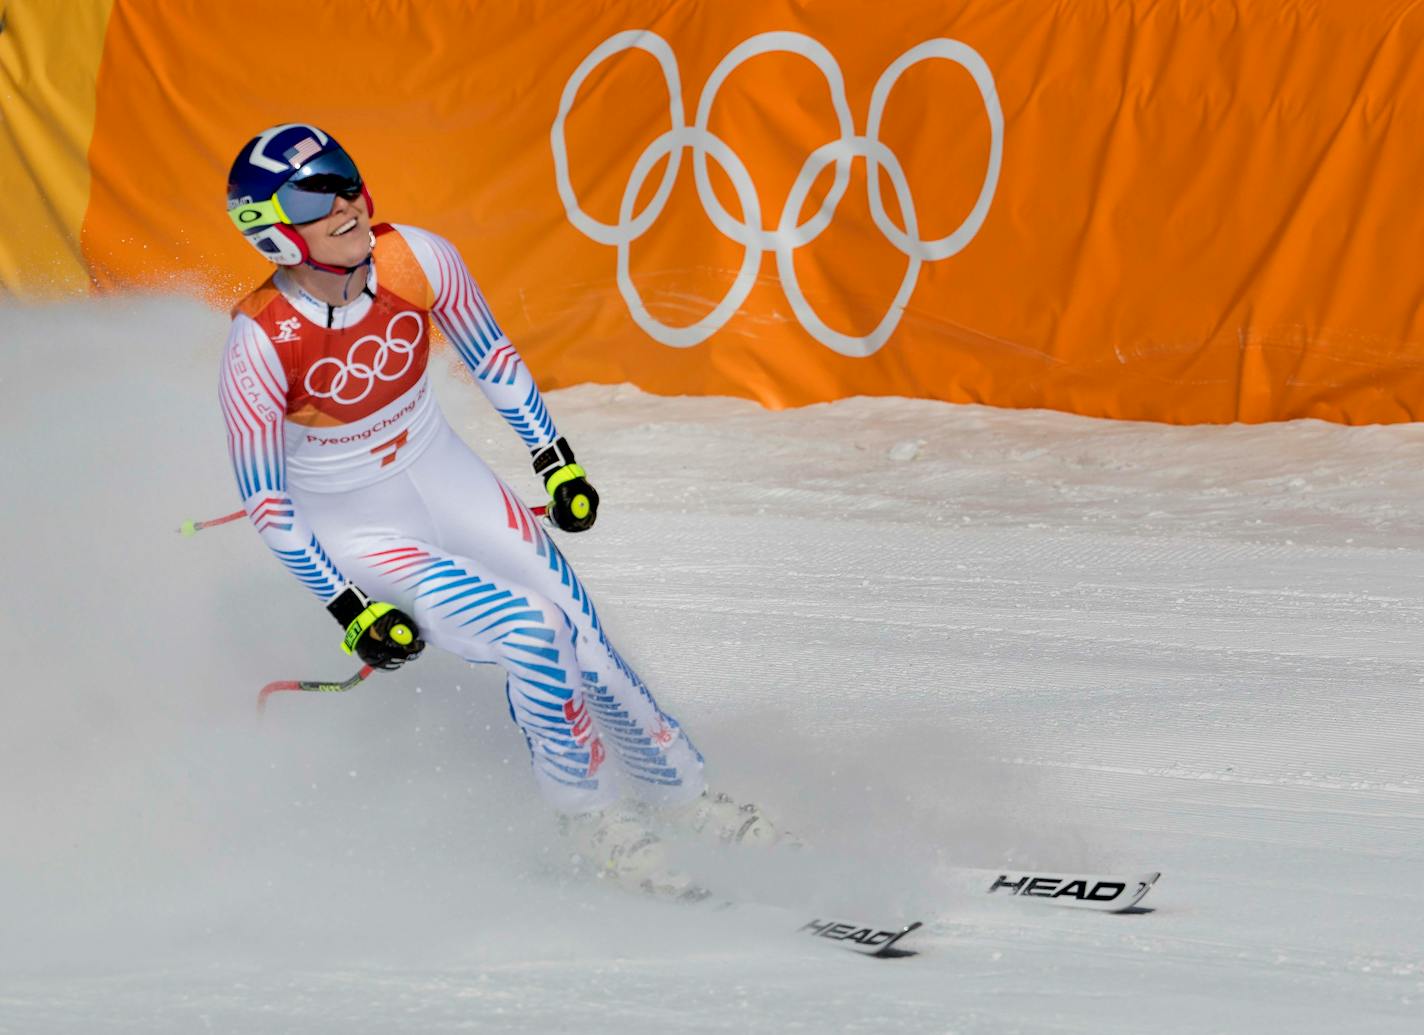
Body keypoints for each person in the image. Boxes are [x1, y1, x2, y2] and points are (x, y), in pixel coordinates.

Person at [220, 124, 778, 896]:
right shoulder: (259, 342)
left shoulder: (418, 257)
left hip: (447, 477)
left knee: (583, 633)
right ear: (273, 230)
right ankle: (592, 824)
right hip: (364, 531)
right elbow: (267, 503)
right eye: (318, 195)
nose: (347, 202)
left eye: (347, 178)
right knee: (530, 628)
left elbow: (492, 357)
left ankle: (684, 796)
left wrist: (556, 459)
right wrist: (349, 608)